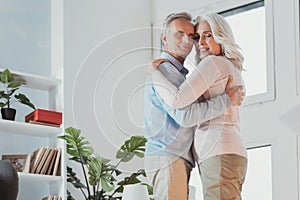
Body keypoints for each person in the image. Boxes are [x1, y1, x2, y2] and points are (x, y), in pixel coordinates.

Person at [144, 11, 244, 200]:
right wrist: (226, 100)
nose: (188, 41)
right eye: (179, 34)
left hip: (180, 156)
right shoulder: (166, 69)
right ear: (164, 37)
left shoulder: (202, 67)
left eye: (192, 36)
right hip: (169, 155)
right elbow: (184, 116)